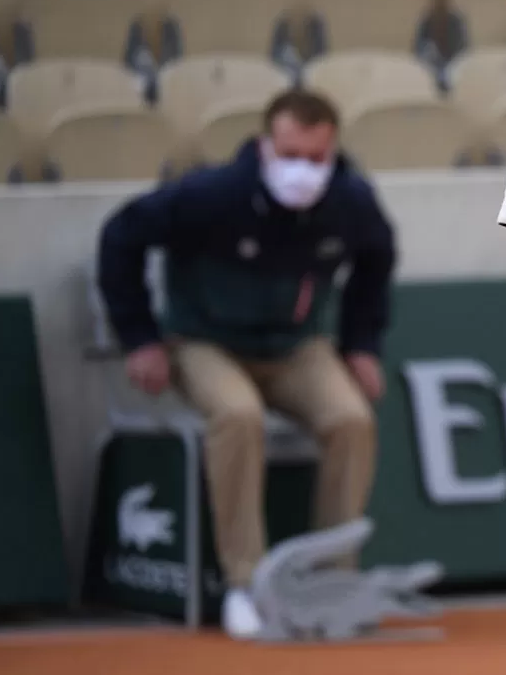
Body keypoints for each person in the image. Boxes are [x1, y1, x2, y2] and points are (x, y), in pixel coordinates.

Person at [95, 90, 397, 640]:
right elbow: (121, 236)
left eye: (315, 158)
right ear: (264, 147)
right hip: (204, 343)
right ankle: (245, 584)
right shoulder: (213, 194)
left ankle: (331, 584)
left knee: (351, 420)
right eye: (290, 155)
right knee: (238, 415)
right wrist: (139, 336)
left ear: (331, 154)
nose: (302, 170)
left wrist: (361, 344)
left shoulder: (350, 200)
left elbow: (377, 260)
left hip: (296, 348)